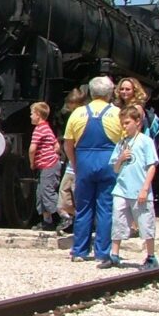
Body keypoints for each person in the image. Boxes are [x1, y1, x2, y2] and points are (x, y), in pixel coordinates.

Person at [63, 76, 123, 262]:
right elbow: (124, 142)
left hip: (84, 160)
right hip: (109, 161)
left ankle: (79, 251)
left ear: (90, 92)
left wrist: (75, 163)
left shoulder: (78, 113)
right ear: (110, 92)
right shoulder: (117, 113)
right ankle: (102, 253)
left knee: (84, 208)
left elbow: (68, 144)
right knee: (105, 208)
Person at [100, 105, 159, 271]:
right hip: (121, 189)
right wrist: (120, 158)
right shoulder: (121, 144)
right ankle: (114, 254)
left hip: (139, 189)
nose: (124, 126)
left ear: (137, 122)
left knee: (145, 222)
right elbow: (115, 168)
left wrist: (145, 188)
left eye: (127, 123)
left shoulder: (145, 142)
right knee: (118, 220)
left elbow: (152, 166)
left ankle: (151, 256)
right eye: (122, 123)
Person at [55, 87, 87, 234]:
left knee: (77, 193)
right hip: (72, 162)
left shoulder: (84, 116)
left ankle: (81, 222)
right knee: (65, 194)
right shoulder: (69, 116)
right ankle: (72, 218)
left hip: (79, 161)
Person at [29, 102, 60, 231]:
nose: (30, 116)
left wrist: (32, 163)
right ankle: (47, 222)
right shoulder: (47, 128)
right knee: (41, 193)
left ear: (38, 115)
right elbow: (57, 146)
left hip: (48, 165)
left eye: (32, 114)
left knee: (47, 192)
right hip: (48, 164)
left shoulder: (39, 129)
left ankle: (64, 215)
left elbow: (32, 149)